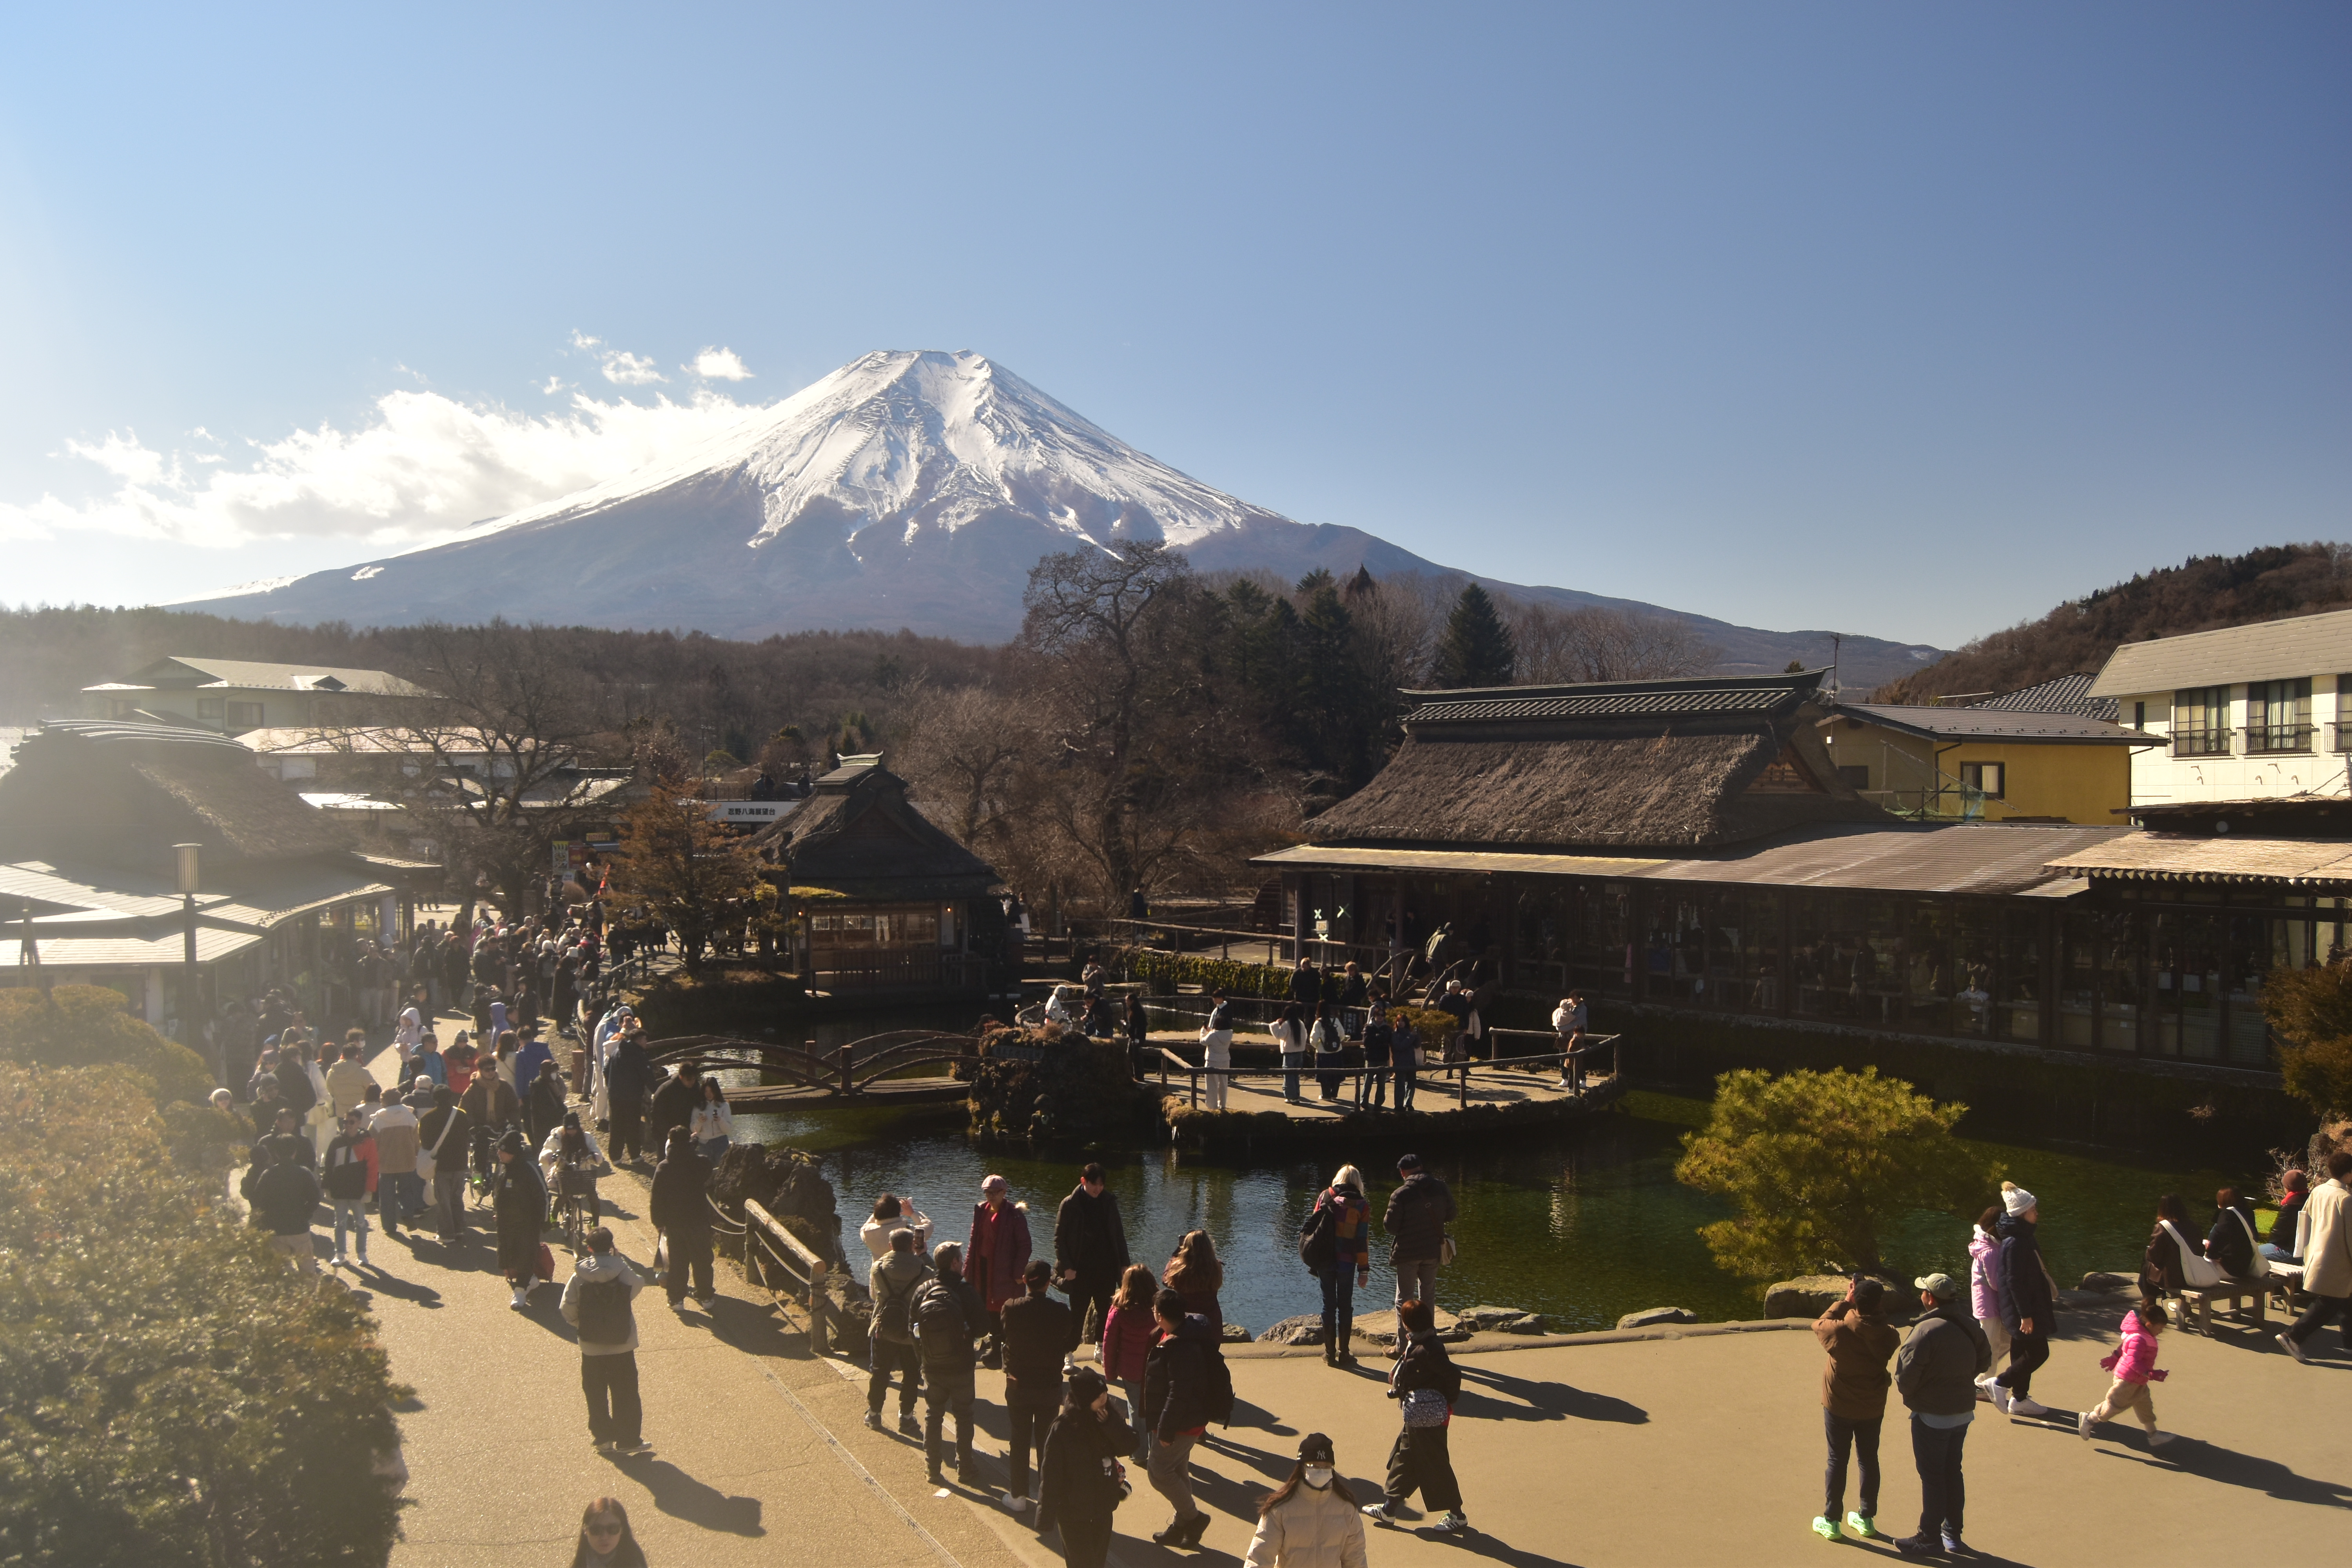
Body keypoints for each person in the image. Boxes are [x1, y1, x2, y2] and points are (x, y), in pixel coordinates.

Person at [1891, 1272, 1990, 1557]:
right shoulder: (1970, 1325)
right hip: (1962, 1412)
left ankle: (1929, 1538)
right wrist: (1959, 1380)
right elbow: (1984, 1360)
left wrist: (1919, 1394)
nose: (1921, 1295)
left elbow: (1905, 1378)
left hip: (1932, 1416)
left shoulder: (1924, 1331)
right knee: (1952, 1471)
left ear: (1930, 1298)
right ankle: (1952, 1533)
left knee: (1933, 1477)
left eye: (1923, 1291)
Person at [1359, 1298, 1466, 1536]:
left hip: (1428, 1416)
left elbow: (1453, 1375)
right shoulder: (1420, 1343)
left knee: (1434, 1463)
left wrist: (1447, 1402)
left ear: (1410, 1324)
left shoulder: (1428, 1349)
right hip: (1418, 1415)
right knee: (1405, 1457)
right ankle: (1389, 1509)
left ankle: (1457, 1516)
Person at [1809, 1276, 1900, 1542]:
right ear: (1880, 1303)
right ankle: (1866, 1517)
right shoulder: (1890, 1334)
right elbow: (1880, 1326)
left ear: (1855, 1300)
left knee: (1837, 1460)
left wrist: (1843, 1302)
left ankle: (1832, 1521)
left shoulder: (1838, 1331)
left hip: (1838, 1404)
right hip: (1872, 1406)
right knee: (1869, 1459)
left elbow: (1819, 1324)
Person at [1143, 1287, 1226, 1550]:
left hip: (1181, 1423)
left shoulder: (1180, 1347)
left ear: (1160, 1315)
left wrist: (1165, 1429)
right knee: (1178, 1470)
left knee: (1158, 1471)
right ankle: (1182, 1528)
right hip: (1189, 1419)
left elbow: (1179, 1392)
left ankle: (1194, 1518)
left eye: (1155, 1310)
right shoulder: (1183, 1334)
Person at [559, 1228, 649, 1456]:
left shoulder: (578, 1274)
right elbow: (638, 1285)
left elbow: (566, 1308)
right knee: (626, 1392)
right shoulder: (622, 1269)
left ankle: (603, 1439)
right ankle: (628, 1439)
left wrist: (581, 1324)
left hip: (591, 1347)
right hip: (622, 1343)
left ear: (588, 1248)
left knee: (596, 1393)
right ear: (612, 1245)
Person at [1001, 1258, 1079, 1512]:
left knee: (1019, 1439)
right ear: (1049, 1284)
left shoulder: (1011, 1308)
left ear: (1025, 1281)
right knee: (1047, 1443)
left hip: (1018, 1385)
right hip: (1049, 1386)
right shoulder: (1060, 1312)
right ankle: (1048, 1498)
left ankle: (1019, 1496)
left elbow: (1006, 1333)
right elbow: (1072, 1340)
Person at [1036, 1367, 1133, 1568]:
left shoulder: (1106, 1418)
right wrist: (1045, 1516)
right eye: (1099, 1397)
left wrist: (1111, 1425)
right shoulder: (1062, 1429)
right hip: (1072, 1512)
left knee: (1097, 1563)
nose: (1105, 1399)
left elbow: (1131, 1445)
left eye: (1105, 1394)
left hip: (1102, 1508)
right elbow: (1051, 1473)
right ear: (1084, 1400)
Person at [915, 1240, 986, 1485]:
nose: (965, 1261)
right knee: (964, 1417)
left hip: (932, 1366)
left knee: (933, 1415)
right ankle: (965, 1469)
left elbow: (913, 1330)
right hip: (962, 1366)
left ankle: (932, 1470)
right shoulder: (966, 1291)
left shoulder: (923, 1290)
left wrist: (923, 1359)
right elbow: (983, 1328)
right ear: (955, 1263)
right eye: (962, 1257)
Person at [2276, 1147, 2352, 1363]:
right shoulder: (2346, 1199)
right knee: (2328, 1305)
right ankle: (2291, 1336)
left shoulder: (2318, 1191)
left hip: (2317, 1255)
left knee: (2346, 1302)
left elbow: (2304, 1222)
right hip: (2338, 1262)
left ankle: (2349, 1345)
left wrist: (2302, 1252)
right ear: (2348, 1173)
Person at [1247, 1432, 1367, 1568]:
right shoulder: (1280, 1509)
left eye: (1326, 1467)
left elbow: (1356, 1559)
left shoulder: (1347, 1509)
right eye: (1314, 1466)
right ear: (1302, 1468)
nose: (1321, 1471)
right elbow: (1260, 1558)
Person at [1989, 1182, 2055, 1416]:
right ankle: (1999, 1384)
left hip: (2026, 1306)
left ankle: (2019, 1399)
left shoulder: (2022, 1237)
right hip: (2025, 1309)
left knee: (2020, 1353)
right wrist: (2026, 1315)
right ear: (2022, 1213)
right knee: (2039, 1353)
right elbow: (2014, 1281)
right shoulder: (2016, 1242)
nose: (2037, 1212)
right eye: (2033, 1208)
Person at [2079, 1298, 2173, 1446]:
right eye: (2160, 1329)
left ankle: (2153, 1435)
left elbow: (2124, 1348)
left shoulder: (2143, 1335)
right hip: (2128, 1380)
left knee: (2145, 1406)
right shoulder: (2140, 1338)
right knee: (2113, 1406)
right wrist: (2150, 1374)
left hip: (2138, 1380)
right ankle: (2089, 1419)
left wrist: (2114, 1357)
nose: (2161, 1332)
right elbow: (2133, 1361)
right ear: (2149, 1324)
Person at [1055, 1161, 1131, 1345]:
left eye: (1101, 1185)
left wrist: (1124, 1264)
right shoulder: (1070, 1204)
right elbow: (1060, 1240)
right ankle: (1070, 1352)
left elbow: (1119, 1236)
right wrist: (1067, 1267)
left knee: (1105, 1310)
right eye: (1094, 1184)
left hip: (1105, 1268)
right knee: (1078, 1313)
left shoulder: (1109, 1203)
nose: (1098, 1189)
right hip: (1079, 1269)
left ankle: (1100, 1347)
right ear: (1083, 1181)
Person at [865, 1226, 930, 1437]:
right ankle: (907, 1417)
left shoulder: (878, 1268)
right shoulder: (924, 1271)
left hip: (883, 1328)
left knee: (880, 1371)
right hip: (911, 1332)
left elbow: (875, 1296)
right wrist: (923, 1255)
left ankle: (874, 1414)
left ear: (891, 1245)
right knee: (912, 1375)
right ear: (913, 1245)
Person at [1304, 1165, 1371, 1367]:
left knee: (1328, 1305)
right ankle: (1345, 1353)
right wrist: (1364, 1269)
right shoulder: (1361, 1206)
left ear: (1338, 1178)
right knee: (1345, 1306)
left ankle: (1329, 1354)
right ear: (1358, 1182)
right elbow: (1362, 1241)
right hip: (1347, 1262)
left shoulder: (1325, 1197)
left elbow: (1314, 1228)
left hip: (1325, 1259)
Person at [967, 1174, 1033, 1368]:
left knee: (1006, 1312)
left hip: (1006, 1272)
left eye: (995, 1193)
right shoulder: (981, 1211)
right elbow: (973, 1242)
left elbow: (1025, 1245)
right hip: (984, 1268)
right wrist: (967, 1269)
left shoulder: (1015, 1215)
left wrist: (1018, 1273)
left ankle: (1008, 1353)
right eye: (988, 1192)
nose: (991, 1196)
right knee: (989, 1309)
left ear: (1004, 1193)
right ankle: (996, 1350)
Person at [650, 1127, 716, 1311]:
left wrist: (658, 1222)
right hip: (698, 1220)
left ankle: (676, 1299)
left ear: (669, 1142)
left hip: (674, 1222)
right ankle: (706, 1297)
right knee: (702, 1261)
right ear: (689, 1141)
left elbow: (656, 1197)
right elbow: (707, 1168)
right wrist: (693, 1146)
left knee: (678, 1263)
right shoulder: (700, 1163)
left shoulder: (664, 1167)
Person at [1100, 1264, 1159, 1463]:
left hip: (1130, 1369)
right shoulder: (1157, 1309)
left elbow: (1109, 1343)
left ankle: (1139, 1452)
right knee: (1155, 1408)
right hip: (1156, 1368)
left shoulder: (1118, 1310)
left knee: (1136, 1409)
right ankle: (1158, 1452)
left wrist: (1109, 1372)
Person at [1383, 1152, 1455, 1308]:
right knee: (1428, 1296)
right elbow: (1451, 1215)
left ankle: (1404, 1334)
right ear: (1421, 1168)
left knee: (1404, 1299)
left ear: (1403, 1172)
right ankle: (1428, 1332)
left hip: (1407, 1254)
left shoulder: (1400, 1194)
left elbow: (1390, 1227)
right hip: (1432, 1250)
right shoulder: (1442, 1188)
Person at [247, 1134, 322, 1280]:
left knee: (283, 1273)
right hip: (299, 1228)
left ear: (276, 1153)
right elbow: (315, 1198)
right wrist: (306, 1214)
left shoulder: (268, 1174)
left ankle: (290, 1299)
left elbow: (257, 1201)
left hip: (276, 1230)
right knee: (308, 1272)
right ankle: (311, 1300)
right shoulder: (304, 1173)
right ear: (295, 1152)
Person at [492, 1128, 548, 1308]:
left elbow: (544, 1196)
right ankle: (529, 1280)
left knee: (525, 1255)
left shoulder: (530, 1169)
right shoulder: (502, 1166)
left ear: (513, 1153)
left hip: (527, 1223)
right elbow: (497, 1190)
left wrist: (545, 1220)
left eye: (503, 1151)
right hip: (505, 1223)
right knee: (507, 1256)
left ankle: (521, 1291)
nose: (499, 1153)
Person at [322, 1108, 378, 1270]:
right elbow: (329, 1166)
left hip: (358, 1190)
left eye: (351, 1122)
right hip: (340, 1189)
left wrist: (369, 1191)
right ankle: (340, 1253)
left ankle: (362, 1253)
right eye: (345, 1122)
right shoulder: (337, 1141)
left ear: (359, 1123)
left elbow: (373, 1168)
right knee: (340, 1223)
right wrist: (327, 1187)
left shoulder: (367, 1142)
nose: (348, 1125)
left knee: (360, 1223)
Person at [419, 1087, 471, 1245]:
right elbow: (467, 1137)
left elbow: (426, 1144)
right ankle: (460, 1228)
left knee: (444, 1201)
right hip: (460, 1162)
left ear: (434, 1099)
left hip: (441, 1165)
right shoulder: (461, 1115)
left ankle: (446, 1233)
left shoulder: (427, 1119)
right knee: (457, 1197)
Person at [1965, 1204, 2008, 1395]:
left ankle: (1979, 1378)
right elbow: (1995, 1283)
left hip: (1989, 1303)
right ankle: (1982, 1385)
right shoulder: (1990, 1251)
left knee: (2003, 1341)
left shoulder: (1987, 1245)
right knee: (1991, 1344)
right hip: (1990, 1305)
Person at [370, 1088, 421, 1241]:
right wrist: (417, 1153)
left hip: (386, 1164)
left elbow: (372, 1143)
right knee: (407, 1191)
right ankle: (407, 1214)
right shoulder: (410, 1117)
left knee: (386, 1196)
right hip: (407, 1161)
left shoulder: (378, 1120)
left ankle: (389, 1226)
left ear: (384, 1101)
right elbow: (416, 1140)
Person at [604, 1029, 654, 1164]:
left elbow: (606, 1070)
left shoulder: (616, 1052)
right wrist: (657, 1090)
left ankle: (615, 1157)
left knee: (616, 1127)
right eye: (645, 1040)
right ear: (638, 1040)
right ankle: (635, 1156)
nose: (646, 1043)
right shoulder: (639, 1055)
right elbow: (647, 1075)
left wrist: (611, 1086)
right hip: (632, 1097)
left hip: (615, 1096)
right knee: (633, 1127)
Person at [1163, 1229, 1225, 1336]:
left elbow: (1165, 1281)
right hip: (1212, 1325)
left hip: (1186, 1326)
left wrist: (1175, 1257)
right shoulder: (1216, 1268)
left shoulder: (1178, 1270)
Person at [569, 1495, 647, 1568]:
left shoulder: (635, 1563)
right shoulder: (582, 1561)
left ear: (622, 1530)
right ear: (585, 1530)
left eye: (612, 1529)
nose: (604, 1537)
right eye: (596, 1530)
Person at [2207, 1185, 2263, 1280]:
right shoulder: (2248, 1213)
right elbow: (2254, 1237)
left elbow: (2219, 1235)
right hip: (2245, 1266)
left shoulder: (2226, 1215)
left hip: (2230, 1269)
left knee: (2195, 1266)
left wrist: (2212, 1253)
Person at [648, 1061, 702, 1153]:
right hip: (666, 1133)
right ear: (681, 1077)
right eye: (689, 1079)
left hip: (686, 1132)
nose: (692, 1082)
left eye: (694, 1079)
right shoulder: (666, 1090)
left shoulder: (695, 1088)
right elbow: (656, 1114)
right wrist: (670, 1134)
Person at [863, 1193, 934, 1261]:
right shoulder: (908, 1232)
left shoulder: (867, 1232)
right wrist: (912, 1213)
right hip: (906, 1271)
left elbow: (869, 1223)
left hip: (879, 1272)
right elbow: (929, 1226)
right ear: (898, 1212)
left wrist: (881, 1206)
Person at [2265, 1169, 2311, 1263]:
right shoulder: (2312, 1200)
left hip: (2291, 1252)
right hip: (2310, 1251)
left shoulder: (2290, 1205)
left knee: (2253, 1254)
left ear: (2288, 1188)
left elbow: (2276, 1236)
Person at [1198, 994, 1234, 1112]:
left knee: (1212, 1085)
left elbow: (1203, 1042)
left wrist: (1203, 1032)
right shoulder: (1229, 1034)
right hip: (1225, 1061)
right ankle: (1222, 1105)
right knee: (1223, 1084)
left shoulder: (1213, 1035)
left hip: (1213, 1061)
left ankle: (1212, 1106)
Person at [325, 1040, 375, 1121]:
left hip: (341, 1112)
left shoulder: (332, 1072)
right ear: (356, 1055)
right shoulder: (362, 1072)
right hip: (359, 1112)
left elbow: (330, 1091)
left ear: (343, 1054)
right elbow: (373, 1089)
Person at [690, 1076, 734, 1168]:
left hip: (721, 1143)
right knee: (706, 1171)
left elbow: (728, 1130)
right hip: (704, 1144)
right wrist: (700, 1122)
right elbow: (694, 1130)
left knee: (721, 1170)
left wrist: (721, 1120)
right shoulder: (698, 1107)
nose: (709, 1094)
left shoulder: (724, 1106)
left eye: (711, 1091)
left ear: (716, 1091)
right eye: (706, 1091)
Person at [527, 1060, 569, 1149]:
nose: (555, 1074)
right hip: (544, 1129)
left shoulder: (553, 1084)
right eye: (553, 1072)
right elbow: (544, 1109)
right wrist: (561, 1112)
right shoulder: (538, 1087)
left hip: (554, 1126)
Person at [1270, 1004, 1308, 1103]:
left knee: (1289, 1076)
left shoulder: (1287, 1024)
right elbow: (1305, 1036)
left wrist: (1276, 1024)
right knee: (1296, 1075)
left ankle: (1291, 1096)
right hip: (1299, 1053)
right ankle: (1296, 1095)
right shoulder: (1300, 1023)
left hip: (1289, 1053)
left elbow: (1279, 1035)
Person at [1551, 992, 1588, 1090]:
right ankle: (1565, 1079)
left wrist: (1563, 1029)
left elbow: (1577, 1022)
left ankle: (1583, 1080)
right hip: (1564, 1037)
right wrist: (1559, 1029)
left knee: (1578, 1060)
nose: (1575, 1000)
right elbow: (1559, 1020)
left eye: (1577, 998)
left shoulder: (1583, 1009)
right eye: (1573, 998)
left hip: (1576, 1038)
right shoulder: (1567, 1006)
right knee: (1562, 1059)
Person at [1357, 1005, 1392, 1109]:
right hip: (1371, 1058)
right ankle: (1364, 1102)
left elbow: (1388, 1040)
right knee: (1368, 1082)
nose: (1380, 1017)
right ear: (1374, 1016)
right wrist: (1380, 1038)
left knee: (1381, 1083)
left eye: (1382, 1015)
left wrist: (1376, 1038)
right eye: (1378, 1015)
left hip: (1383, 1059)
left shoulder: (1387, 1028)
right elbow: (1367, 1042)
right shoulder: (1368, 1027)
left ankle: (1379, 1104)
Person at [1391, 1014, 1421, 1112]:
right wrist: (1411, 1036)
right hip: (1400, 1063)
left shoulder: (1410, 1033)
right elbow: (1400, 1047)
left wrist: (1417, 1034)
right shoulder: (1395, 1035)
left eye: (1403, 1021)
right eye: (1399, 1021)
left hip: (1411, 1063)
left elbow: (1417, 1045)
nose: (1401, 1023)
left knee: (1411, 1084)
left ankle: (1408, 1103)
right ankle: (1399, 1105)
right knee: (1400, 1085)